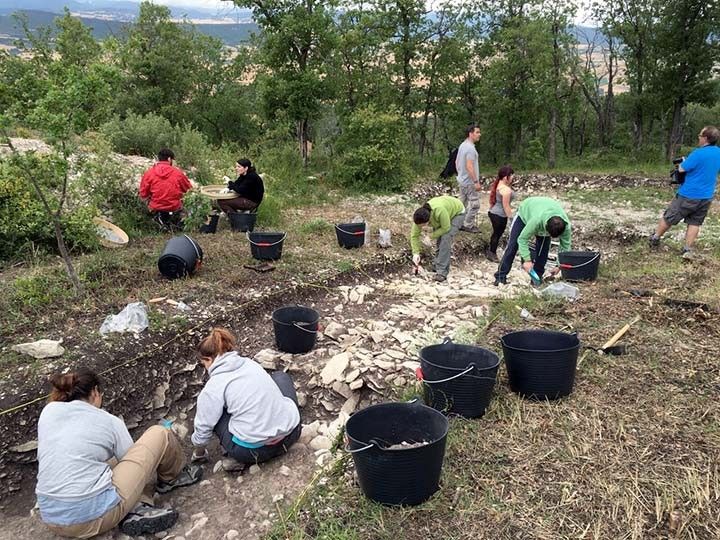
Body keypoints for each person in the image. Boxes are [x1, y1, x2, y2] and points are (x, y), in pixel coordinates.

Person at [35, 369, 202, 538]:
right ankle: (168, 482)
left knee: (105, 462)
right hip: (89, 519)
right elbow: (133, 461)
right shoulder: (108, 421)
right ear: (94, 392)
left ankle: (134, 509)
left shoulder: (49, 412)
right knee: (159, 434)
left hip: (51, 518)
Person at [190, 328, 301, 472]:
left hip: (254, 452)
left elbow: (204, 426)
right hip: (291, 434)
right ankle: (278, 421)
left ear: (209, 359)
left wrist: (199, 453)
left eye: (203, 363)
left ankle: (238, 451)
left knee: (213, 412)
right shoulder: (249, 363)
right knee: (280, 377)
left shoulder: (214, 386)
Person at [649, 126, 720, 260]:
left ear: (705, 138)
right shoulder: (718, 153)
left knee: (670, 216)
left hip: (689, 194)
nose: (698, 138)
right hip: (706, 195)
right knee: (695, 222)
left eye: (700, 135)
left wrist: (685, 162)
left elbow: (681, 169)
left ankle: (655, 238)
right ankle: (687, 249)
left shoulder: (698, 153)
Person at [493, 196, 571, 286]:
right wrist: (527, 260)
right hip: (525, 213)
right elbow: (522, 239)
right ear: (545, 226)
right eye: (548, 234)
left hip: (544, 211)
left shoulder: (566, 227)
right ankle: (500, 276)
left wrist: (559, 265)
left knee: (543, 250)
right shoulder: (536, 221)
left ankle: (536, 279)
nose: (549, 236)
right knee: (513, 245)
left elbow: (565, 246)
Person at [410, 195, 465, 282]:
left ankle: (442, 273)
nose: (421, 227)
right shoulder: (419, 217)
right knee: (440, 238)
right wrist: (415, 253)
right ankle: (437, 264)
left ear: (428, 221)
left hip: (457, 212)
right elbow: (414, 236)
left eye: (423, 225)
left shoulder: (439, 211)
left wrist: (430, 236)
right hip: (444, 213)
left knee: (445, 238)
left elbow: (446, 228)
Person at [139, 148, 193, 230]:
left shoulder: (149, 173)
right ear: (169, 159)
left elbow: (143, 193)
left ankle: (155, 219)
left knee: (144, 198)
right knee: (187, 199)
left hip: (156, 206)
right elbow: (188, 189)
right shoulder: (178, 173)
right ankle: (178, 221)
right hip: (174, 206)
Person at [455, 123, 482, 233]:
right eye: (477, 132)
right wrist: (475, 181)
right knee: (475, 204)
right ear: (470, 133)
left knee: (461, 204)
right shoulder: (470, 149)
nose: (479, 134)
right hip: (470, 181)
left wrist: (461, 174)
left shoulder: (462, 145)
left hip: (462, 180)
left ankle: (458, 223)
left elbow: (456, 162)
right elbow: (470, 166)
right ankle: (468, 224)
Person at [486, 165, 516, 262]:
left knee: (495, 233)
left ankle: (491, 251)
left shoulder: (498, 185)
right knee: (497, 234)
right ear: (505, 177)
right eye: (511, 176)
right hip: (499, 215)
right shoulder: (506, 190)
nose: (512, 178)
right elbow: (506, 206)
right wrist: (511, 219)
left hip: (493, 212)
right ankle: (492, 253)